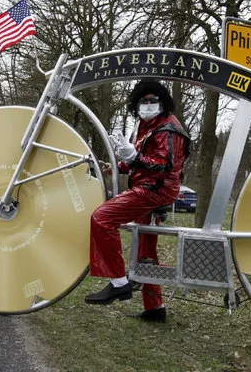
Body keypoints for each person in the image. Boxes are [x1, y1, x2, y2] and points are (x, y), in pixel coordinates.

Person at [85, 80, 190, 323]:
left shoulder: (168, 128)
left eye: (154, 100)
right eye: (144, 100)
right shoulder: (144, 126)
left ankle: (118, 282)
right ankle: (155, 309)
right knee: (146, 251)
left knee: (101, 218)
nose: (149, 104)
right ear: (137, 104)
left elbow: (164, 166)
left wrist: (134, 158)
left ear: (163, 102)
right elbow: (136, 162)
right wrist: (115, 165)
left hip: (155, 190)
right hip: (147, 187)